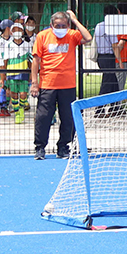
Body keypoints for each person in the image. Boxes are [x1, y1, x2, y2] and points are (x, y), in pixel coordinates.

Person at [30, 10, 92, 160]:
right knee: (43, 117)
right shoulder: (42, 36)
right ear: (51, 25)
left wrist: (75, 21)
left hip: (67, 84)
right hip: (47, 84)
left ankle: (63, 147)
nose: (61, 28)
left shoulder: (71, 35)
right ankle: (40, 147)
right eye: (58, 25)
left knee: (67, 118)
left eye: (64, 25)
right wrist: (34, 83)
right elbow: (36, 61)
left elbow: (88, 37)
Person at [4, 21, 33, 124]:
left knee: (23, 94)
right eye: (15, 30)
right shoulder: (8, 45)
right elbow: (5, 60)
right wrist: (4, 76)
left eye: (19, 30)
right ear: (11, 32)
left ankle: (21, 107)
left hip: (23, 72)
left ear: (22, 31)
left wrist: (31, 74)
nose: (17, 32)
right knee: (14, 94)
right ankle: (17, 113)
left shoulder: (27, 44)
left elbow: (30, 60)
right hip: (11, 73)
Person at [93, 5, 120, 98]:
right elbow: (114, 46)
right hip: (109, 57)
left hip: (100, 57)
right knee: (107, 84)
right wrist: (120, 62)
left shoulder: (98, 25)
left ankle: (115, 108)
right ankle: (99, 109)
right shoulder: (110, 27)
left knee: (114, 83)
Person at [114, 2, 127, 91]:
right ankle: (118, 104)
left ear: (118, 11)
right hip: (121, 59)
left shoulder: (112, 23)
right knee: (120, 86)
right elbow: (121, 44)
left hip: (110, 58)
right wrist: (118, 57)